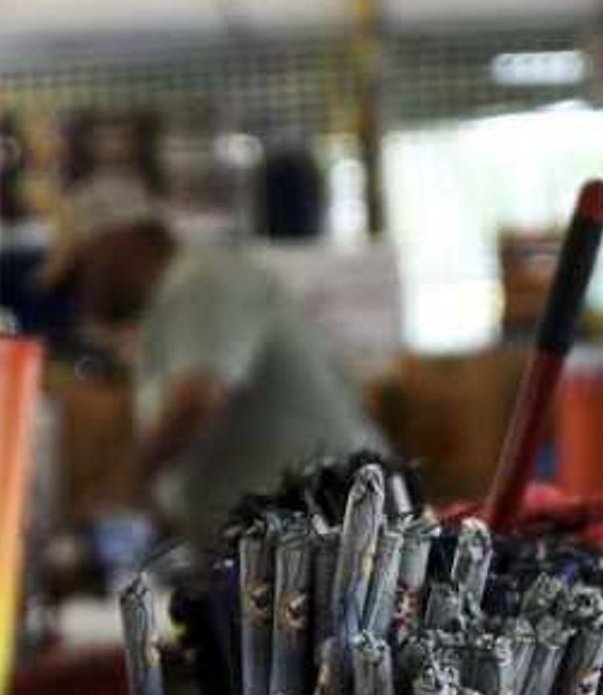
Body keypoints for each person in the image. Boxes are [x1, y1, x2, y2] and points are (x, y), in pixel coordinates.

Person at [54, 171, 380, 545]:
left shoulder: (201, 279)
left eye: (80, 273)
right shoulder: (169, 306)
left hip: (329, 538)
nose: (82, 301)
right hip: (280, 546)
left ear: (113, 245)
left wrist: (121, 489)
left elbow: (198, 398)